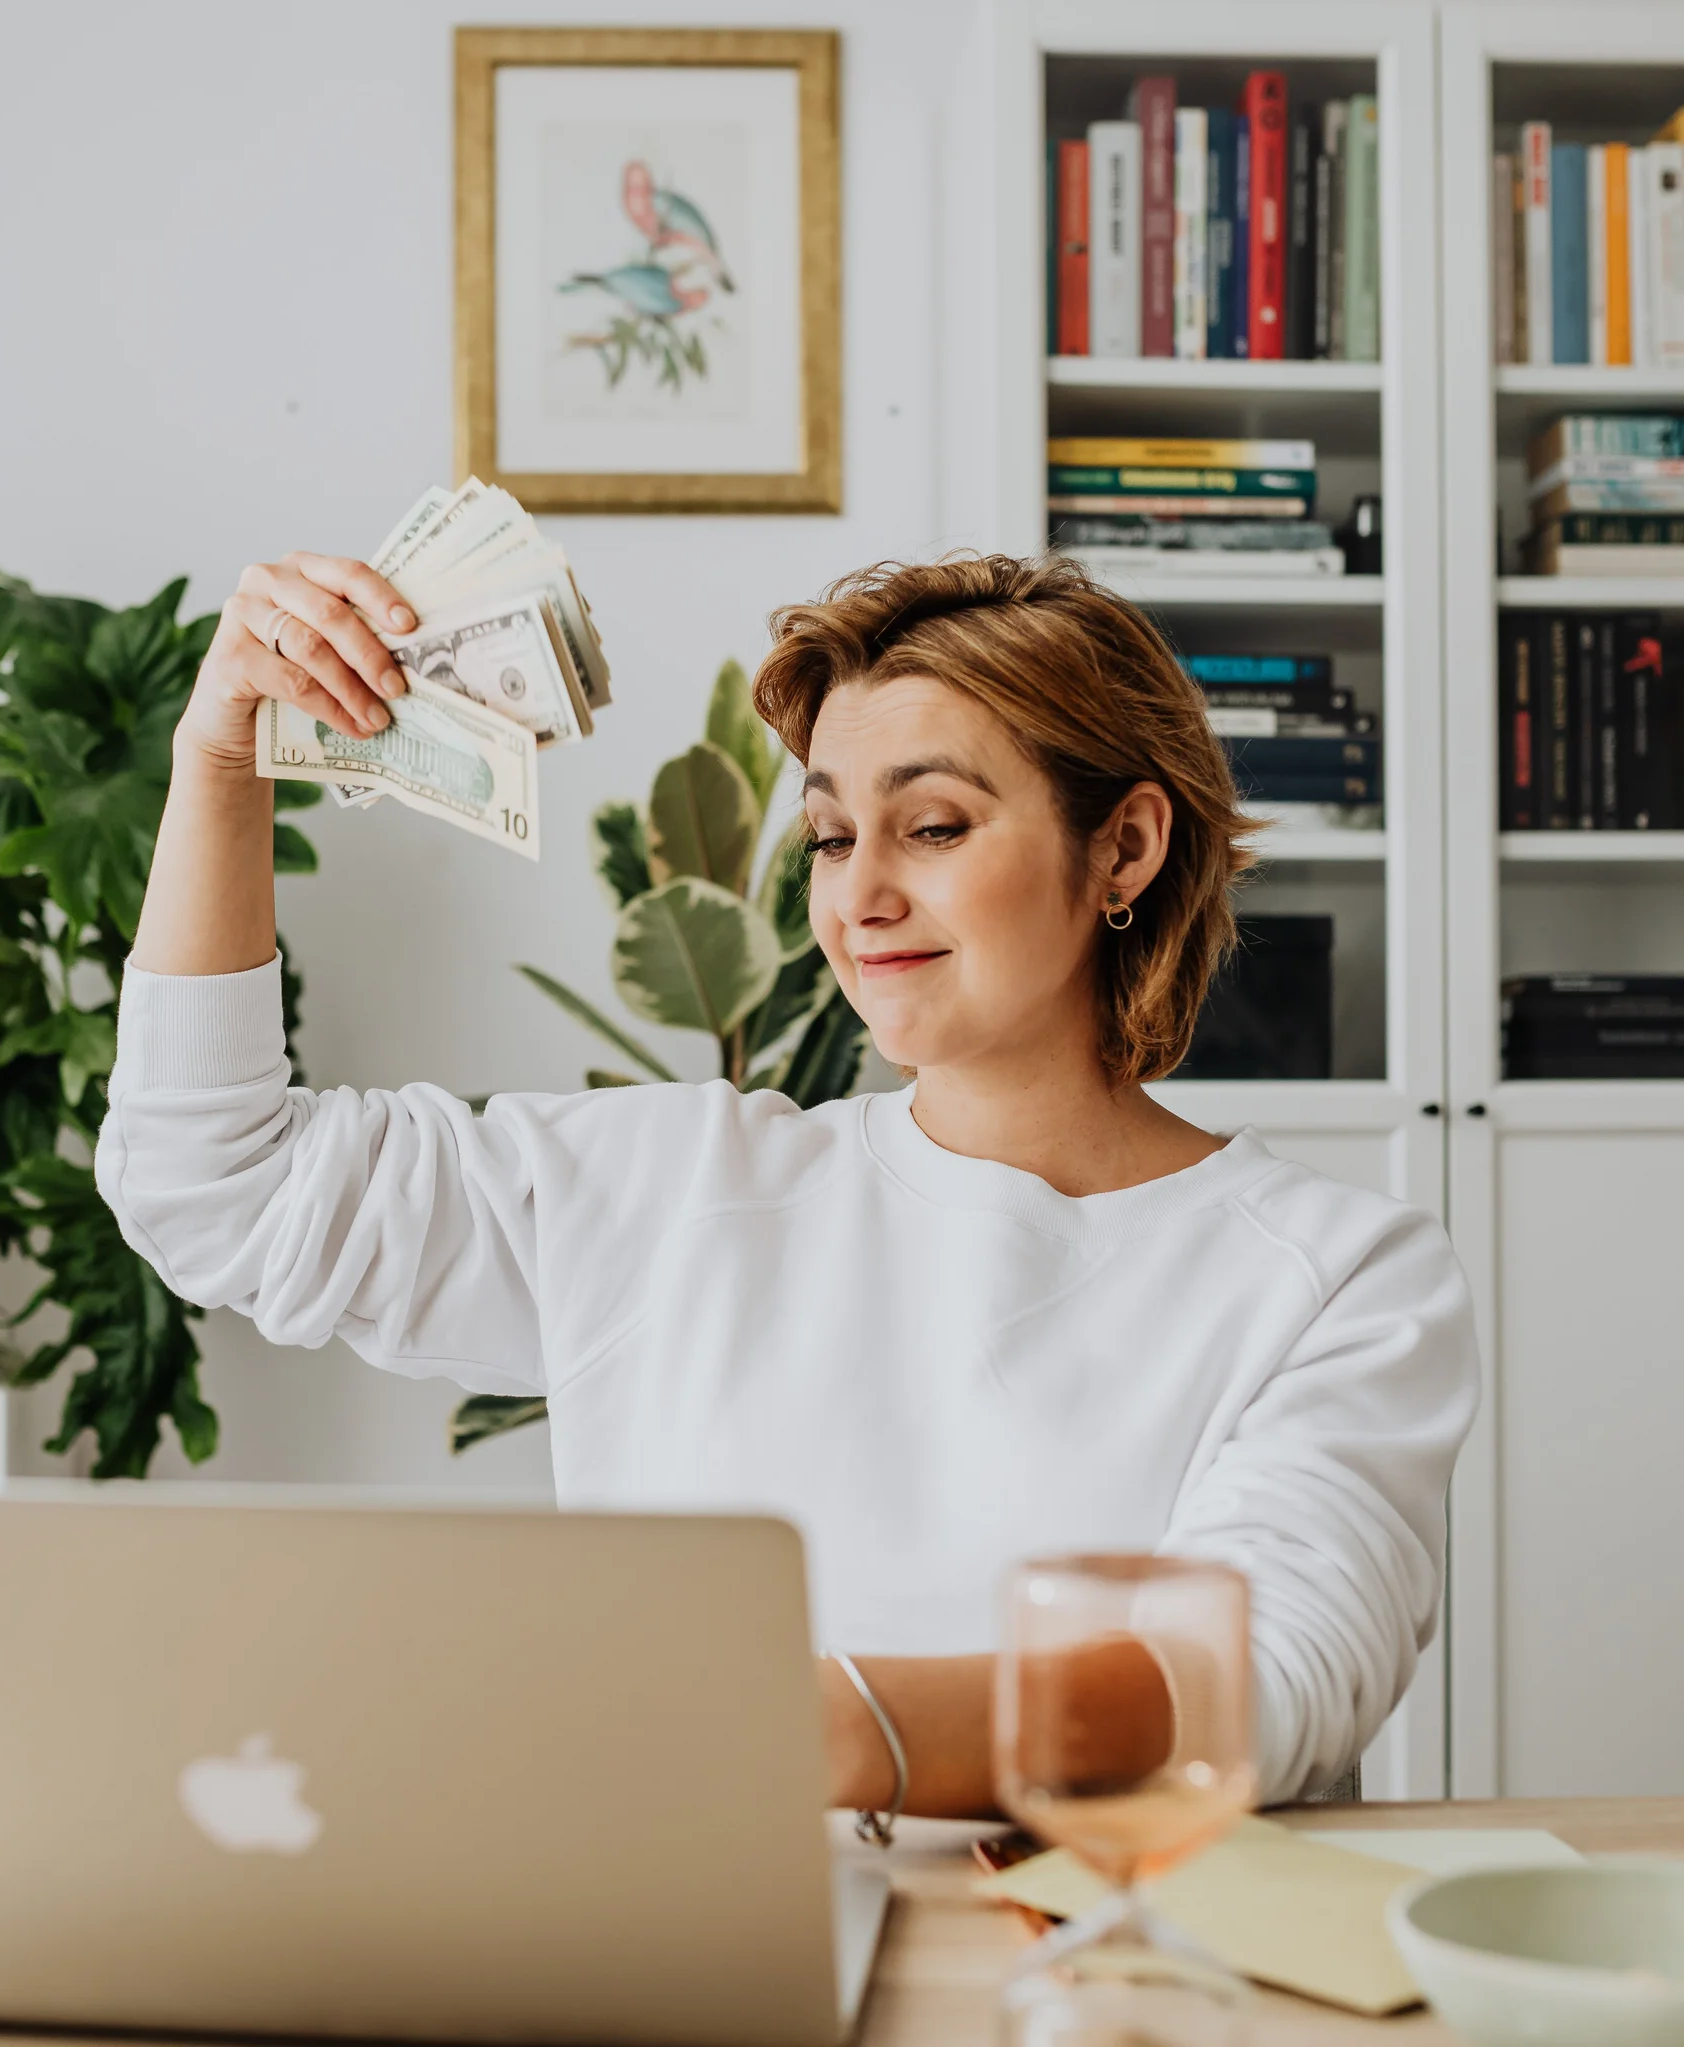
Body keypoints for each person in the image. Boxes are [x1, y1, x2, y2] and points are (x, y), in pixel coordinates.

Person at [99, 547, 1479, 1823]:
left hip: (1099, 1978)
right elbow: (216, 1184)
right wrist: (220, 768)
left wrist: (813, 1723)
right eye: (829, 836)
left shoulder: (1340, 1276)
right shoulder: (671, 1189)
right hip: (700, 1970)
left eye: (932, 825)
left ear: (1123, 846)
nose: (860, 893)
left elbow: (1272, 1679)